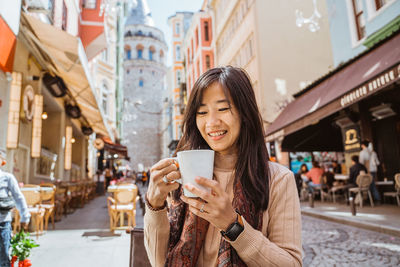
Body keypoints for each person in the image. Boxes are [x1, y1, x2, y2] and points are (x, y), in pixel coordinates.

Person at [144, 67, 302, 266]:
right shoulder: (181, 176)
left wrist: (232, 225)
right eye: (202, 112)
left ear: (245, 112)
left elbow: (292, 263)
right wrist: (154, 204)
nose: (211, 122)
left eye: (223, 108)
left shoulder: (278, 179)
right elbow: (158, 262)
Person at [0, 148, 31, 267]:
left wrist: (25, 217)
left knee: (3, 258)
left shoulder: (7, 178)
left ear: (2, 161)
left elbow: (19, 197)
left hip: (2, 224)